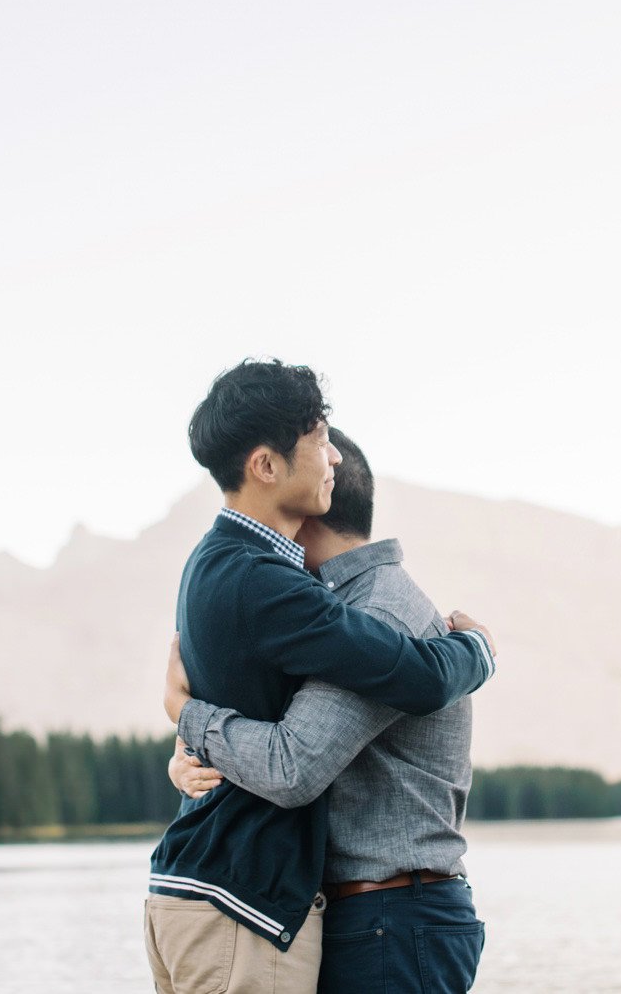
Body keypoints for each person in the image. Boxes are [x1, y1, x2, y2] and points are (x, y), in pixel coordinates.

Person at [145, 359, 497, 994]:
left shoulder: (372, 608)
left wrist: (190, 720)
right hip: (352, 916)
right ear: (272, 471)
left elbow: (291, 761)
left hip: (392, 916)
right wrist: (189, 746)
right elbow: (283, 751)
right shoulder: (275, 589)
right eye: (319, 441)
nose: (328, 457)